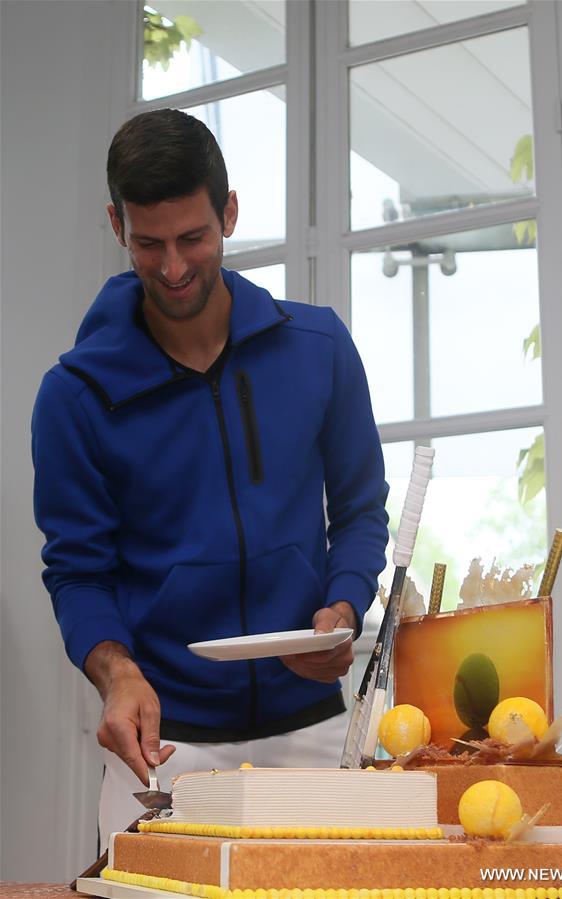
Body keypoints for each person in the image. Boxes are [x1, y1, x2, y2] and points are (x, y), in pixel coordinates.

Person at [31, 108, 389, 844]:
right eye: (147, 243)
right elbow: (77, 573)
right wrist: (115, 673)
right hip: (166, 747)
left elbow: (358, 513)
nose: (171, 267)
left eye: (193, 238)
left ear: (228, 212)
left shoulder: (319, 347)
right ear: (115, 224)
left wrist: (344, 608)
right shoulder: (73, 397)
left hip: (318, 735)